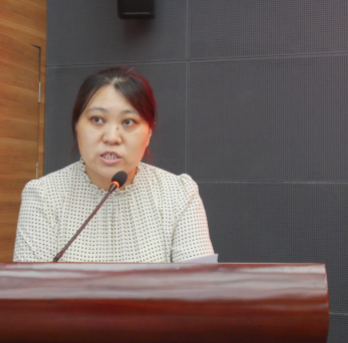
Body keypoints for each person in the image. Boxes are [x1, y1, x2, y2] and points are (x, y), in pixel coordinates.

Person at [12, 67, 215, 263]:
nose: (111, 137)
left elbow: (198, 284)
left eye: (128, 122)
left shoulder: (179, 194)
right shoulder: (44, 196)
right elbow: (29, 286)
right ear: (76, 126)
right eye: (97, 119)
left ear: (149, 132)